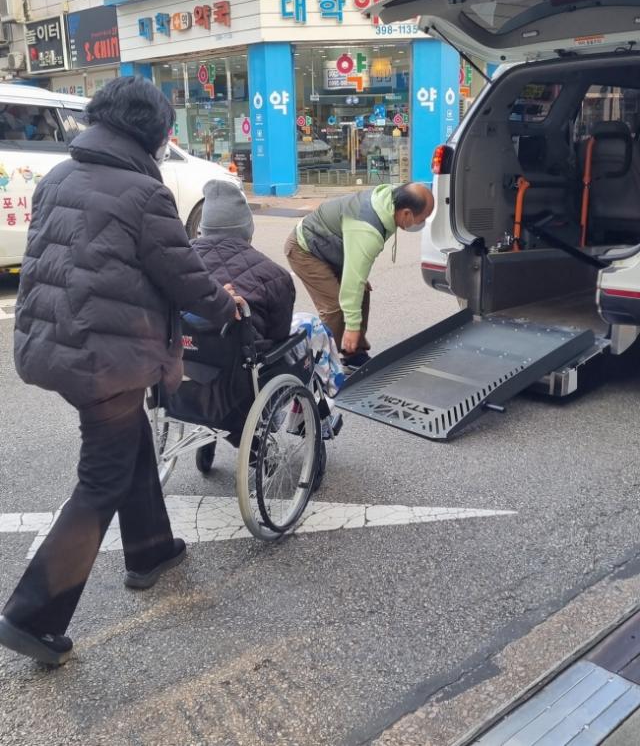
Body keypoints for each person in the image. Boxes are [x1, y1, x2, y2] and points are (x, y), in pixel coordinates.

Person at [0, 77, 240, 667]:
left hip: (53, 344)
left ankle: (151, 550)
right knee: (101, 478)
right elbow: (184, 276)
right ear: (152, 132)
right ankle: (32, 615)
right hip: (105, 359)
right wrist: (224, 305)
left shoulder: (59, 176)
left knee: (130, 444)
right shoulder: (143, 193)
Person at [171, 179, 296, 435]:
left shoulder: (175, 265)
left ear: (203, 228)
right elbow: (280, 336)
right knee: (307, 337)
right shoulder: (275, 275)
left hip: (180, 371)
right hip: (239, 384)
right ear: (247, 229)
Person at [284, 182, 433, 363]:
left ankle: (354, 354)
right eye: (423, 218)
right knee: (335, 306)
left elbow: (356, 274)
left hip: (332, 247)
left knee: (360, 291)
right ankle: (317, 363)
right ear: (406, 213)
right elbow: (353, 281)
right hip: (306, 249)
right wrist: (352, 327)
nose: (422, 223)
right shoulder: (367, 229)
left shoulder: (388, 198)